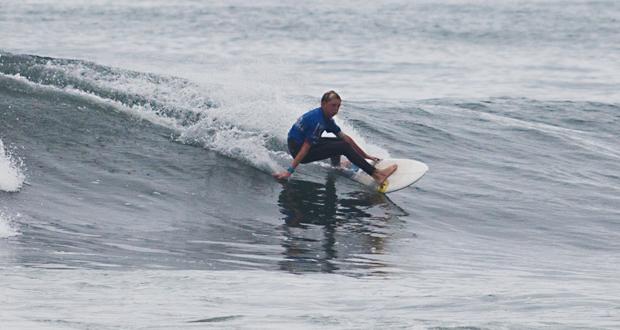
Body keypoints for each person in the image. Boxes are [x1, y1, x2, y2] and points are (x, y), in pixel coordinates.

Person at [273, 90, 397, 184]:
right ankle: (377, 175)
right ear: (323, 104)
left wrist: (365, 155)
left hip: (300, 143)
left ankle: (336, 166)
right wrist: (289, 172)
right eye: (333, 105)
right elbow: (305, 148)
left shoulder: (325, 118)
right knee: (342, 146)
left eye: (338, 106)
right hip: (299, 149)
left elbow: (346, 138)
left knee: (340, 142)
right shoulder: (317, 121)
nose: (336, 109)